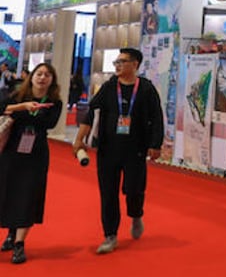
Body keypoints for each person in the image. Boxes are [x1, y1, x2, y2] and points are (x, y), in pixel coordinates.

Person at [71, 47, 164, 255]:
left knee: (133, 189)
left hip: (136, 150)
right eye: (116, 62)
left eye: (122, 62)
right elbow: (90, 114)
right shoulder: (109, 87)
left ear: (135, 64)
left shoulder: (147, 89)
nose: (117, 65)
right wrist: (79, 140)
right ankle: (110, 235)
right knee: (108, 194)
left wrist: (155, 144)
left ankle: (136, 214)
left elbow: (157, 117)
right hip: (108, 149)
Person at [0, 62, 62, 264]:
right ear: (32, 76)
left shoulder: (55, 102)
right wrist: (24, 107)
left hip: (36, 154)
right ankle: (10, 232)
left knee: (28, 196)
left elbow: (49, 123)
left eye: (47, 75)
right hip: (11, 151)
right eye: (39, 73)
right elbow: (3, 108)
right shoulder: (17, 95)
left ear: (52, 80)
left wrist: (21, 114)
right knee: (8, 192)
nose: (42, 78)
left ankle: (19, 244)